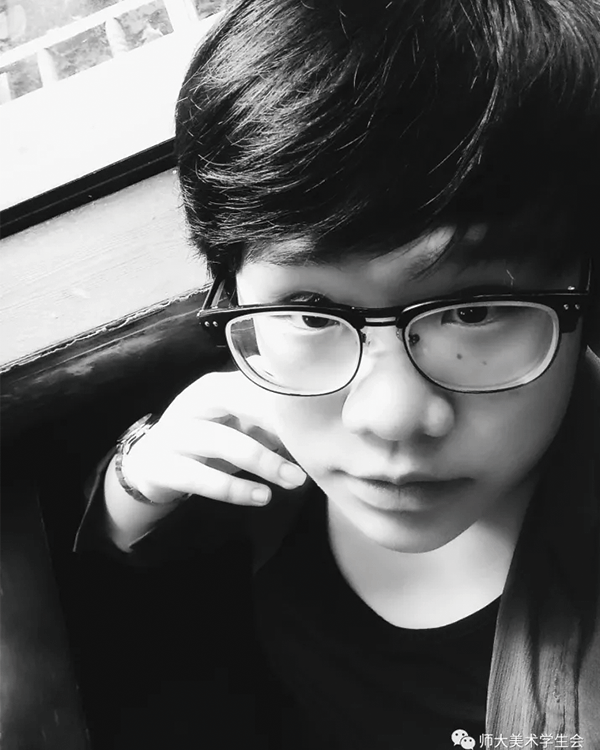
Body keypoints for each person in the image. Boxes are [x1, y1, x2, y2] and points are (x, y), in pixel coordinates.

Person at [75, 0, 600, 747]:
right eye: (313, 313)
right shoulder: (263, 453)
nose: (388, 418)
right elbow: (121, 554)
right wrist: (132, 484)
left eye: (474, 311)